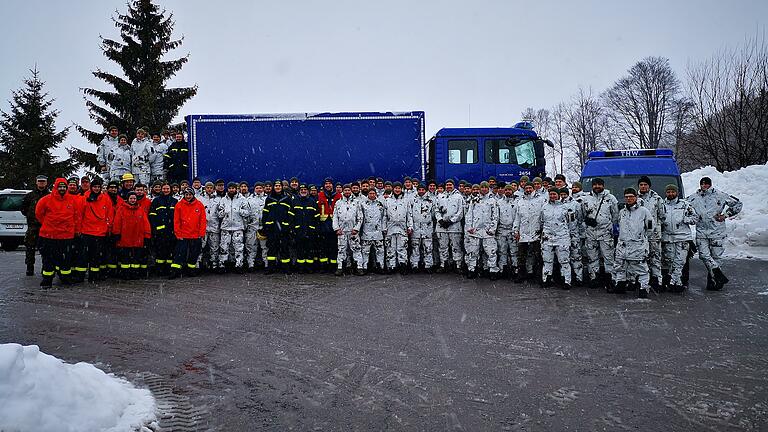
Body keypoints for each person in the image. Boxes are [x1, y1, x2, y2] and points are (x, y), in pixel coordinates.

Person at [686, 176, 743, 290]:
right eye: (702, 184)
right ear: (700, 185)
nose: (704, 186)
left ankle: (713, 282)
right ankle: (718, 275)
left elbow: (738, 204)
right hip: (701, 232)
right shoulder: (692, 198)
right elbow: (683, 210)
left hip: (717, 231)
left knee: (716, 257)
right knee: (704, 256)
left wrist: (725, 215)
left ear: (710, 184)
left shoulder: (720, 195)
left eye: (707, 184)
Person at [35, 178, 79, 288]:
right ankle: (47, 279)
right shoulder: (46, 200)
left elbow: (76, 216)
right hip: (49, 235)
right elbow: (39, 214)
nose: (62, 189)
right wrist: (49, 224)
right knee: (48, 259)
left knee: (65, 259)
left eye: (64, 187)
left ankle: (65, 278)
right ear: (55, 187)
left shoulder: (72, 200)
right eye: (60, 187)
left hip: (66, 236)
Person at [614, 188, 654, 298]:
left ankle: (643, 287)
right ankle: (620, 284)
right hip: (623, 245)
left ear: (636, 197)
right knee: (620, 266)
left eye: (631, 196)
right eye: (626, 197)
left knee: (641, 268)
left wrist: (641, 238)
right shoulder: (622, 212)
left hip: (637, 245)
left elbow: (650, 228)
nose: (629, 199)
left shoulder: (644, 211)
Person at [582, 178, 619, 289]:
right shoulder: (586, 198)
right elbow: (583, 215)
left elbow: (615, 215)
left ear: (603, 185)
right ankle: (594, 278)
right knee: (592, 257)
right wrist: (588, 221)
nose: (597, 186)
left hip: (605, 233)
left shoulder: (610, 198)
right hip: (591, 233)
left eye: (599, 184)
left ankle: (610, 279)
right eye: (595, 185)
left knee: (608, 257)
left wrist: (610, 227)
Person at [661, 184, 697, 293]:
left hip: (682, 238)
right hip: (667, 238)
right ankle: (674, 282)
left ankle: (675, 282)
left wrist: (686, 219)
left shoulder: (684, 205)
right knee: (670, 261)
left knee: (680, 261)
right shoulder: (661, 205)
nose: (671, 194)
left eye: (673, 192)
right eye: (668, 192)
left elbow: (695, 218)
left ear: (677, 192)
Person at [77, 177, 113, 283]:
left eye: (98, 187)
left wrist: (108, 226)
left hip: (100, 232)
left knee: (96, 256)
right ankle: (80, 276)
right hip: (86, 232)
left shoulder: (105, 199)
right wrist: (79, 229)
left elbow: (110, 214)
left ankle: (94, 276)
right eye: (95, 187)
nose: (96, 189)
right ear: (91, 187)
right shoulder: (84, 198)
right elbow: (80, 215)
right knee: (83, 256)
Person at [464, 182, 500, 279]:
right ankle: (472, 269)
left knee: (491, 252)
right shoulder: (475, 200)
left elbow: (495, 216)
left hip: (488, 231)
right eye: (482, 187)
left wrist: (492, 229)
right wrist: (470, 228)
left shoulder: (493, 201)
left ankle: (492, 271)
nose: (484, 189)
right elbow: (469, 215)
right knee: (473, 252)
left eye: (485, 187)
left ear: (488, 188)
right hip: (475, 231)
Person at [112, 191, 151, 280]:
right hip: (125, 238)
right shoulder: (121, 209)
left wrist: (147, 235)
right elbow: (117, 222)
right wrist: (116, 233)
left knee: (136, 258)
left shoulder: (140, 210)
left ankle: (134, 273)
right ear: (127, 199)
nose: (133, 200)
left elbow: (146, 224)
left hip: (137, 237)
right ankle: (125, 274)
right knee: (125, 258)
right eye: (131, 198)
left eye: (134, 198)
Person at [169, 187, 207, 279]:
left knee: (194, 254)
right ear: (184, 195)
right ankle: (175, 271)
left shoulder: (199, 205)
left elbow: (202, 220)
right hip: (183, 234)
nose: (188, 196)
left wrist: (201, 233)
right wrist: (178, 233)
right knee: (179, 253)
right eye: (186, 195)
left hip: (195, 234)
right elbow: (176, 221)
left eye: (190, 194)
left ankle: (191, 270)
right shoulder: (179, 205)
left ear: (193, 195)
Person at [539, 188, 572, 289]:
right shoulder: (544, 207)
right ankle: (546, 279)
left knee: (564, 260)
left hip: (562, 237)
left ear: (558, 195)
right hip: (547, 238)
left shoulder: (565, 207)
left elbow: (570, 223)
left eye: (554, 194)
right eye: (551, 194)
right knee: (547, 260)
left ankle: (566, 281)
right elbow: (541, 221)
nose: (552, 196)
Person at [637, 176, 665, 289]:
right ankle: (642, 281)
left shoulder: (657, 199)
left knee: (655, 257)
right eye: (641, 185)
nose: (643, 187)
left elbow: (662, 216)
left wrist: (655, 226)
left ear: (649, 186)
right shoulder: (636, 198)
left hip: (654, 235)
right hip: (640, 234)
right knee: (641, 258)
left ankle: (657, 281)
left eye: (645, 185)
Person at [261, 180, 293, 274]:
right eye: (276, 186)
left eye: (279, 186)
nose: (278, 187)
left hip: (284, 228)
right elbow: (265, 213)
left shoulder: (287, 198)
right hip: (272, 228)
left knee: (284, 248)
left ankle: (286, 268)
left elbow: (290, 213)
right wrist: (265, 225)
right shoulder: (269, 198)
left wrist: (288, 225)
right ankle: (271, 268)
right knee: (272, 249)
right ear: (273, 187)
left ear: (282, 187)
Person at [332, 184, 364, 276]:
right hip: (341, 231)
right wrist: (336, 229)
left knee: (356, 249)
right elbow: (335, 217)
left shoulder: (357, 202)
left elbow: (360, 217)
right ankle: (340, 267)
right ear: (343, 191)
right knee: (341, 249)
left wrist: (356, 228)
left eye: (348, 190)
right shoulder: (338, 203)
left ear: (351, 191)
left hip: (353, 231)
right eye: (345, 190)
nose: (347, 192)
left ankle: (359, 267)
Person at [514, 183, 543, 282]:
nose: (528, 190)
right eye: (526, 188)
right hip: (524, 232)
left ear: (534, 188)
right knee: (521, 255)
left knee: (538, 255)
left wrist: (543, 230)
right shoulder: (521, 201)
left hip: (536, 232)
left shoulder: (540, 200)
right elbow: (517, 217)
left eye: (530, 188)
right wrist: (516, 230)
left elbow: (543, 216)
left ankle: (539, 275)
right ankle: (521, 274)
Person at [217, 182, 249, 273]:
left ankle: (239, 265)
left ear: (236, 189)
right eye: (230, 188)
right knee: (223, 247)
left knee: (238, 248)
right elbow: (218, 214)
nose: (231, 190)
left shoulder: (242, 199)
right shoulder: (223, 200)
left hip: (238, 227)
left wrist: (239, 211)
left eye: (233, 188)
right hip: (225, 227)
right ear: (228, 189)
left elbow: (247, 213)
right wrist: (224, 212)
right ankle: (222, 265)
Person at [21, 175, 49, 276]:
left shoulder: (49, 196)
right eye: (39, 181)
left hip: (45, 227)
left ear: (46, 183)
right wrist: (31, 217)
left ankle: (45, 268)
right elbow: (24, 209)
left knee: (45, 249)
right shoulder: (30, 196)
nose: (41, 183)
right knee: (30, 248)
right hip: (33, 227)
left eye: (43, 181)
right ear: (36, 182)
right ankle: (29, 267)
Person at [435, 179, 464, 273]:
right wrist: (440, 220)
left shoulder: (459, 197)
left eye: (450, 185)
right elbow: (436, 210)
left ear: (453, 186)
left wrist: (451, 221)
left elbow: (460, 212)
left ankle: (458, 265)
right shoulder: (440, 196)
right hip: (441, 226)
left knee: (456, 246)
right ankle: (444, 264)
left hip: (454, 227)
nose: (448, 186)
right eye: (447, 185)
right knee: (443, 246)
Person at [148, 183, 177, 275]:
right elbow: (152, 215)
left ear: (170, 189)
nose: (166, 190)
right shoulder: (156, 201)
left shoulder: (174, 201)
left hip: (171, 231)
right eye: (164, 188)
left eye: (167, 188)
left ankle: (168, 269)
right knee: (160, 251)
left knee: (170, 251)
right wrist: (155, 228)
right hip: (160, 231)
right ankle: (160, 269)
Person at [407, 184, 436, 272]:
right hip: (415, 227)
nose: (421, 191)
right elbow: (409, 214)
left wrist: (432, 224)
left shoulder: (431, 200)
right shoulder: (412, 200)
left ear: (425, 190)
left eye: (423, 189)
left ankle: (428, 265)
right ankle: (415, 265)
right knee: (415, 247)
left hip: (427, 227)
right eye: (419, 189)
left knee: (428, 248)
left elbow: (434, 214)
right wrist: (410, 226)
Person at [560, 187, 585, 286]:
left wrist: (577, 230)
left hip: (573, 233)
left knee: (576, 256)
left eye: (564, 194)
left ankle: (579, 278)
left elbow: (580, 218)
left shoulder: (575, 204)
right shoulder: (558, 204)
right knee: (564, 257)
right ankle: (565, 278)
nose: (563, 196)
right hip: (561, 235)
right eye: (561, 194)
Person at [291, 184, 319, 273]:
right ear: (299, 191)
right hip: (299, 230)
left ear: (308, 191)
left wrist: (315, 228)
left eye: (305, 189)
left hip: (310, 230)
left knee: (310, 250)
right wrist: (293, 228)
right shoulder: (295, 201)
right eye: (301, 189)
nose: (303, 191)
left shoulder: (312, 201)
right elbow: (291, 216)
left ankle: (309, 267)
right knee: (300, 250)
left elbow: (316, 217)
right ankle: (301, 268)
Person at [383, 182, 409, 273]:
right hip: (390, 227)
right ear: (393, 189)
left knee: (402, 247)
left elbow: (409, 214)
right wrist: (384, 228)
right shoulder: (387, 200)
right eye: (395, 188)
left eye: (399, 188)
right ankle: (392, 266)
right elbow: (384, 216)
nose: (397, 190)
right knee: (391, 247)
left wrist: (410, 226)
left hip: (402, 227)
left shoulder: (406, 200)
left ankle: (403, 266)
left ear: (401, 189)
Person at [317, 178, 341, 272]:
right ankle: (323, 266)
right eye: (326, 184)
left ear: (333, 185)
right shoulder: (320, 195)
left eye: (330, 184)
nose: (328, 185)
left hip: (334, 225)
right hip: (323, 225)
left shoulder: (338, 196)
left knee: (333, 247)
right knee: (323, 246)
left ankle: (333, 266)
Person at [359, 188, 386, 274]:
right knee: (365, 251)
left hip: (378, 231)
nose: (372, 195)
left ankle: (380, 267)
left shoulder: (380, 204)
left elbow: (383, 217)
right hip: (366, 231)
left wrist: (383, 228)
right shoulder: (363, 204)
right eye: (370, 193)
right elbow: (360, 218)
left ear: (376, 194)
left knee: (380, 250)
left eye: (373, 193)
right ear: (368, 194)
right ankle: (365, 267)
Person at [243, 182, 268, 272]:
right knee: (251, 246)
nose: (259, 190)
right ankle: (251, 265)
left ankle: (266, 264)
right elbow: (245, 214)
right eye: (257, 188)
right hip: (252, 227)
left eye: (260, 188)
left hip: (263, 227)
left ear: (263, 189)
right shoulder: (249, 200)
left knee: (265, 247)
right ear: (254, 189)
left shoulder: (267, 199)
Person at [496, 184, 518, 278]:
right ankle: (502, 269)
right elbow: (496, 217)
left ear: (512, 191)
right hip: (501, 230)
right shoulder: (499, 202)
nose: (508, 191)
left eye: (510, 190)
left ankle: (515, 270)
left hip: (512, 230)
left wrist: (516, 230)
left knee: (514, 252)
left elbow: (518, 217)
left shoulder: (517, 202)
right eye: (506, 190)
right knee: (502, 251)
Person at [198, 182, 222, 271]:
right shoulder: (200, 199)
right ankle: (198, 264)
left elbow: (221, 213)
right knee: (200, 246)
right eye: (207, 187)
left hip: (214, 227)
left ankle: (214, 264)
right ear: (205, 189)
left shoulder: (218, 199)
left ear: (213, 189)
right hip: (203, 228)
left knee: (214, 247)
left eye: (211, 188)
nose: (209, 189)